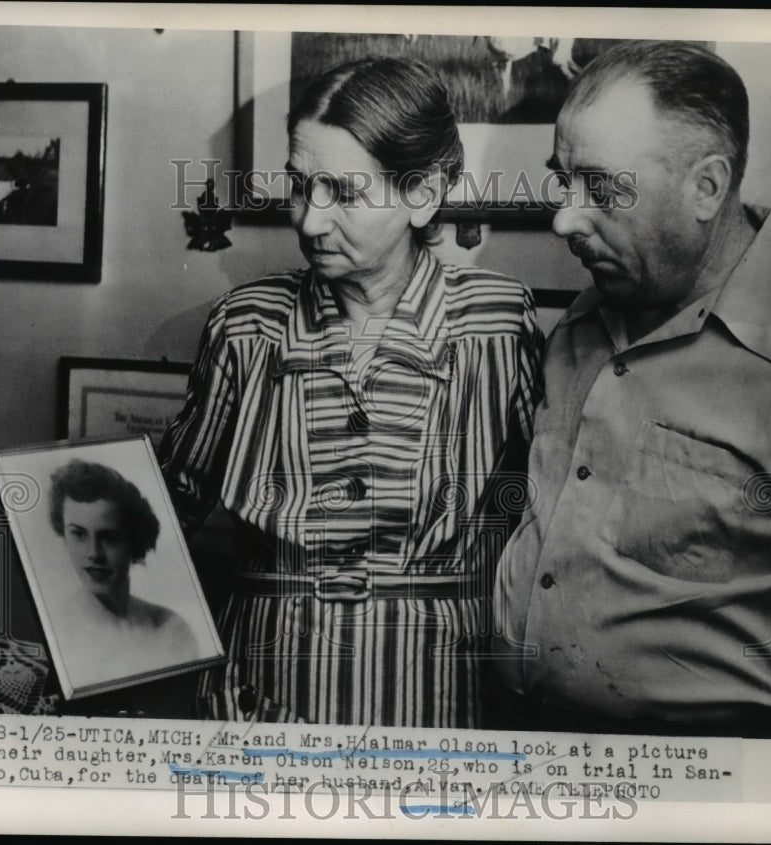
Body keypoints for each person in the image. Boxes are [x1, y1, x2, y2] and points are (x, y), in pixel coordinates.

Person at [159, 56, 543, 727]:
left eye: (343, 192)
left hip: (436, 699)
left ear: (423, 193)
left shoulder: (498, 324)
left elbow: (550, 523)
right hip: (261, 699)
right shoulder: (245, 327)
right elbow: (161, 516)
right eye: (302, 186)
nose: (309, 222)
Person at [493, 41, 771, 740]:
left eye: (601, 189)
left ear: (707, 187)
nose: (565, 220)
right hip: (522, 753)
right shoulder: (582, 321)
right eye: (562, 183)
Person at [49, 459, 198, 686]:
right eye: (78, 534)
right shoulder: (55, 630)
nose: (94, 553)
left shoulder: (171, 629)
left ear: (134, 542)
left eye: (109, 537)